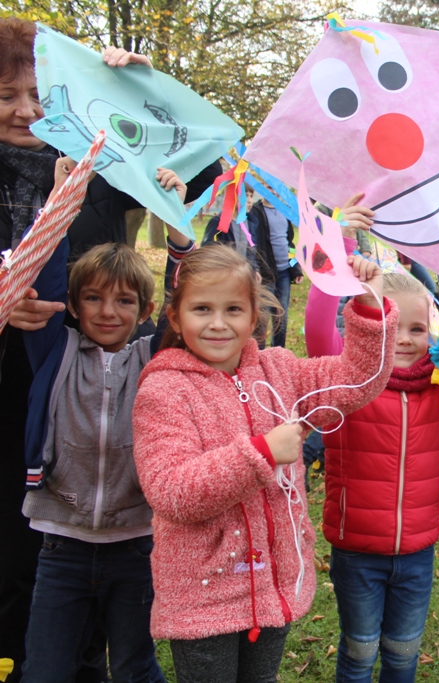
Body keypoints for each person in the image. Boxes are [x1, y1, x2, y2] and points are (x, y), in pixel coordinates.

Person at [0, 18, 219, 681]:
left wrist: (140, 88)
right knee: (16, 563)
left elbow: (199, 160)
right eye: (6, 94)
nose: (25, 110)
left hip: (89, 413)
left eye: (39, 93)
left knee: (83, 574)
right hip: (12, 404)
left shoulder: (98, 167)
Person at [131, 245, 396, 683]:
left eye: (233, 309)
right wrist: (262, 453)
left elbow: (358, 382)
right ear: (176, 318)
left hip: (274, 585)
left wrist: (368, 305)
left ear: (253, 318)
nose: (218, 323)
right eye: (202, 309)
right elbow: (172, 492)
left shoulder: (280, 372)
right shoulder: (163, 392)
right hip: (204, 598)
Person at [305, 198, 439, 683]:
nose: (408, 338)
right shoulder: (348, 382)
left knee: (401, 656)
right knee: (358, 655)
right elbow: (316, 326)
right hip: (356, 551)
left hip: (417, 553)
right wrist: (340, 246)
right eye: (396, 327)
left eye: (419, 327)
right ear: (374, 326)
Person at [18, 169, 192, 682]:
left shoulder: (154, 359)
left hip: (135, 546)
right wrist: (62, 201)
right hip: (61, 545)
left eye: (124, 301)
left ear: (147, 310)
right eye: (92, 298)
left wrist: (174, 218)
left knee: (137, 669)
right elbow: (46, 277)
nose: (108, 311)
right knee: (45, 671)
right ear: (72, 306)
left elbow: (188, 294)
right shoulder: (57, 349)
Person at [247, 195, 302, 347]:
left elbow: (289, 244)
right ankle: (258, 354)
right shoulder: (256, 212)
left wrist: (295, 268)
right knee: (262, 318)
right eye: (268, 186)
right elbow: (253, 243)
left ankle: (278, 353)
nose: (273, 191)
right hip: (265, 274)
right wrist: (255, 268)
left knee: (281, 317)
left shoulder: (284, 211)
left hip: (284, 273)